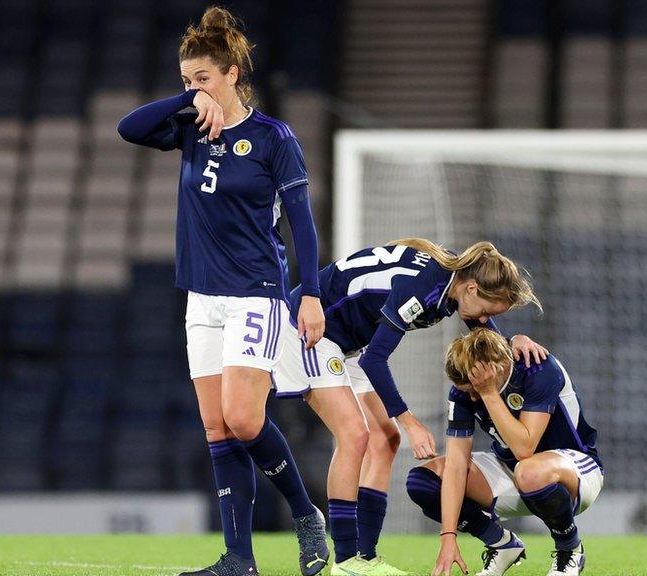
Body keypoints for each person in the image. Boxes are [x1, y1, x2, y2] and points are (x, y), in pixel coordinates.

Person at [117, 6, 328, 576]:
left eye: (203, 78)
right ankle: (239, 558)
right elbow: (129, 127)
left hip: (256, 292)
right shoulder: (190, 125)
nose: (194, 88)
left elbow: (300, 224)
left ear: (233, 73)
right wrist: (187, 102)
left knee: (242, 416)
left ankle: (307, 515)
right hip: (202, 297)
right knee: (216, 425)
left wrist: (308, 294)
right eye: (186, 79)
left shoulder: (272, 138)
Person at [273, 239, 549, 575]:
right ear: (473, 288)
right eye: (487, 310)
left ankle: (366, 558)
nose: (484, 319)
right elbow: (376, 360)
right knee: (355, 436)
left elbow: (482, 336)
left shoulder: (453, 283)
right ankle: (346, 562)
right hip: (310, 331)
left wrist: (512, 341)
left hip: (348, 342)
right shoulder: (422, 289)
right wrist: (410, 421)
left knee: (384, 440)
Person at [407, 328, 603, 576]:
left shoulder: (538, 370)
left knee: (529, 471)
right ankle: (500, 544)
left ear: (497, 367)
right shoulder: (465, 393)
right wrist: (448, 537)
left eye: (475, 388)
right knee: (422, 481)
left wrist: (488, 393)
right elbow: (456, 466)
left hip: (575, 473)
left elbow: (524, 448)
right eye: (468, 390)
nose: (472, 396)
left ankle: (570, 548)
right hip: (513, 472)